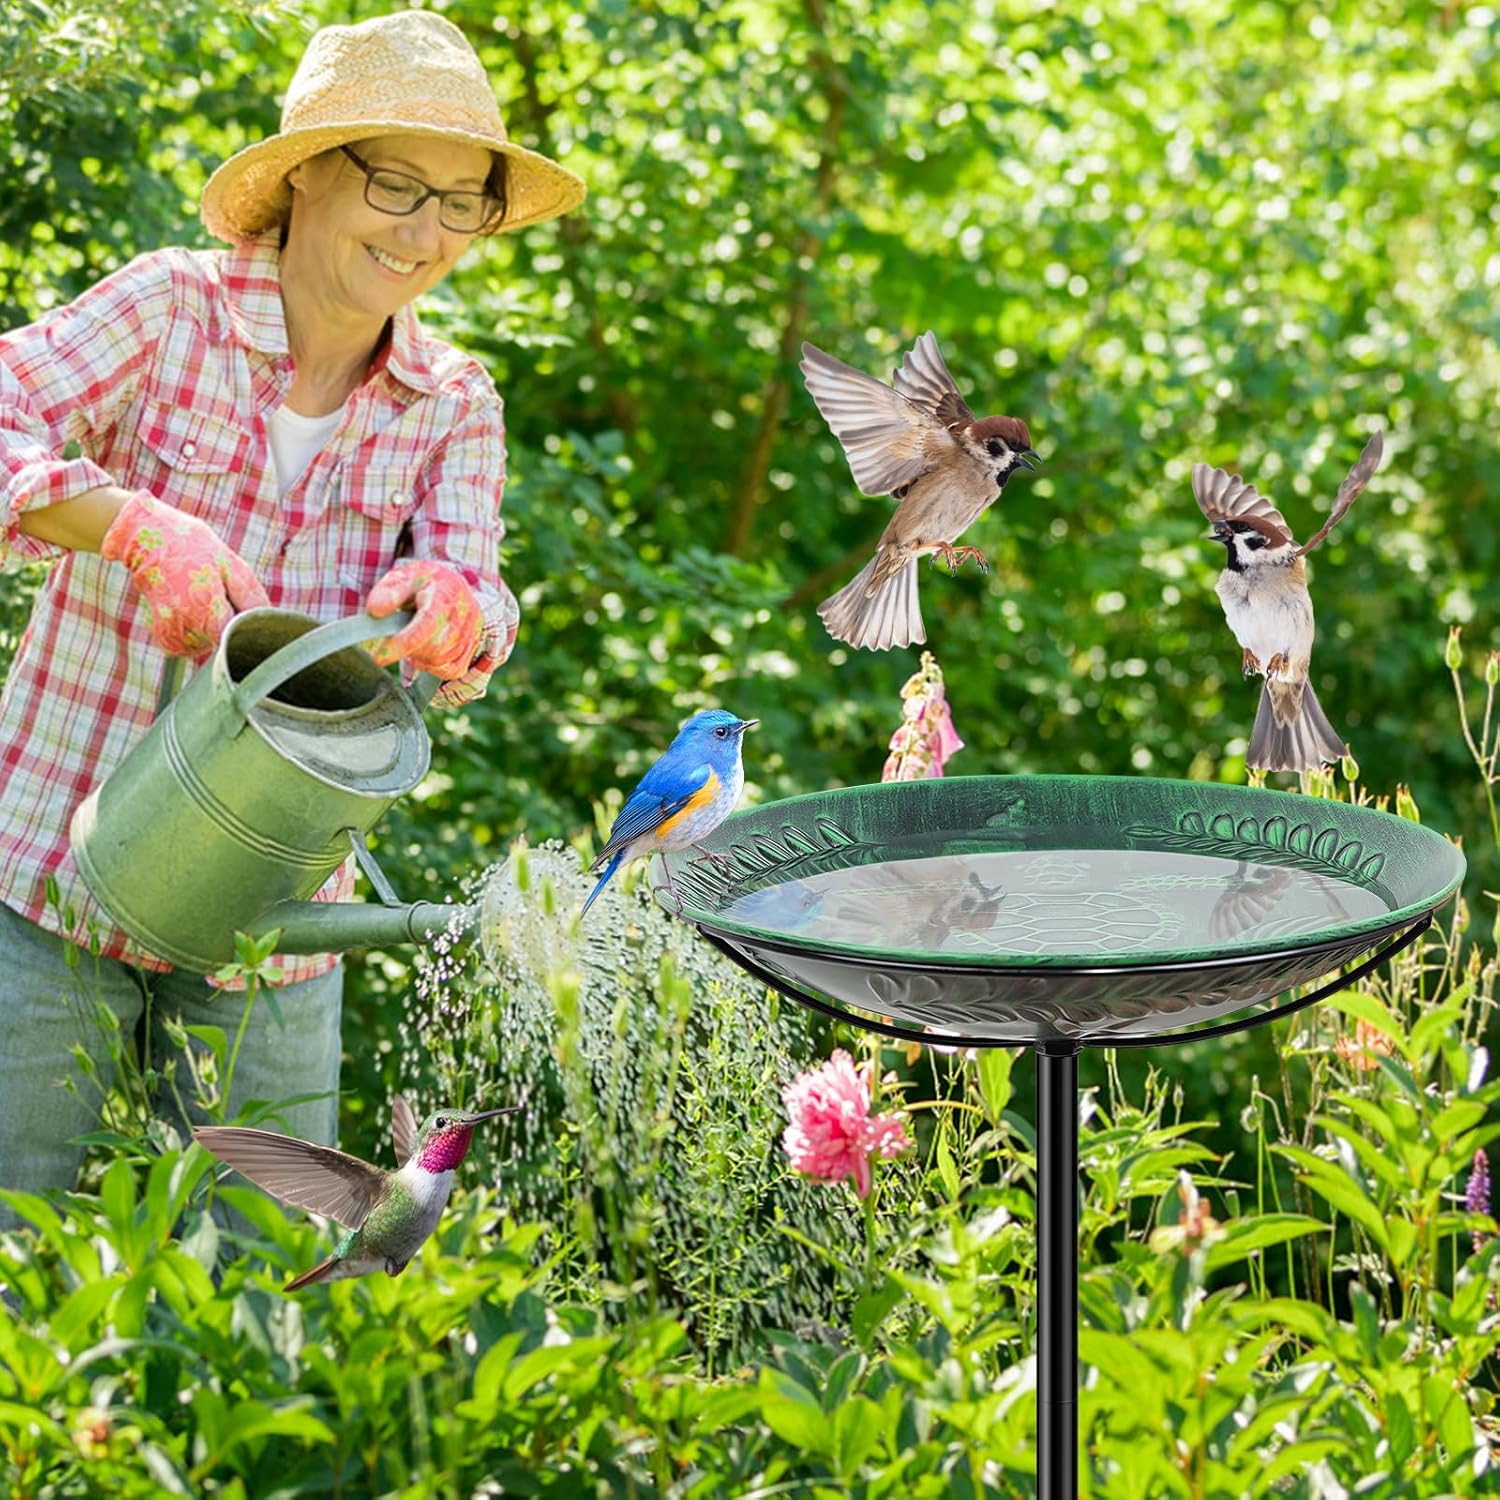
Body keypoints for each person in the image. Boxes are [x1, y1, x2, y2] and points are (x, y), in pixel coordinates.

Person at [0, 11, 585, 1221]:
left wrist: (458, 614)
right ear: (308, 169)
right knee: (15, 1246)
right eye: (393, 185)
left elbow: (474, 593)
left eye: (460, 202)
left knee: (264, 1281)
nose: (423, 234)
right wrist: (127, 523)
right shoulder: (172, 314)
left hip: (278, 926)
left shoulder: (453, 402)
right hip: (54, 875)